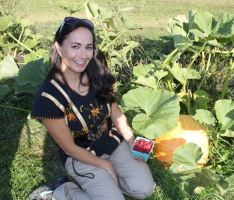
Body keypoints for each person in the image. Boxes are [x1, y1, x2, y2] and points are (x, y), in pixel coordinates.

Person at [29, 17, 155, 200]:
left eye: (88, 47)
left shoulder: (97, 74)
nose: (83, 55)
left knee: (145, 190)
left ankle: (107, 188)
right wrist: (105, 165)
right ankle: (59, 192)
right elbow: (70, 148)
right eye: (75, 46)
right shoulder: (48, 98)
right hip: (81, 155)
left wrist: (133, 142)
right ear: (58, 47)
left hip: (112, 141)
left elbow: (117, 116)